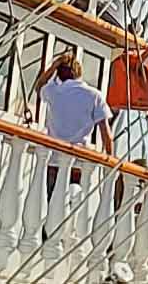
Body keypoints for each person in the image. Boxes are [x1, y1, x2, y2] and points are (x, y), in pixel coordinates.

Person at [33, 53, 114, 204]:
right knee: (72, 205)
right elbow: (105, 132)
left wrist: (53, 66)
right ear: (79, 72)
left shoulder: (55, 91)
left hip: (54, 161)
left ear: (59, 74)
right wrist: (111, 160)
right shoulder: (94, 95)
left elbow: (39, 86)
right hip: (79, 163)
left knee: (51, 205)